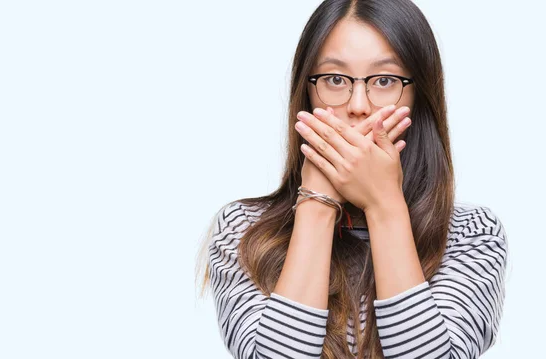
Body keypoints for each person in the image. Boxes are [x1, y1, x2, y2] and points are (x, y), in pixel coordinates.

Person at [197, 0, 507, 358]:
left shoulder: (471, 233)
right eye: (334, 79)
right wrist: (317, 201)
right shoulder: (245, 230)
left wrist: (383, 204)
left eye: (385, 80)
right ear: (308, 92)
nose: (359, 104)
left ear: (419, 94)